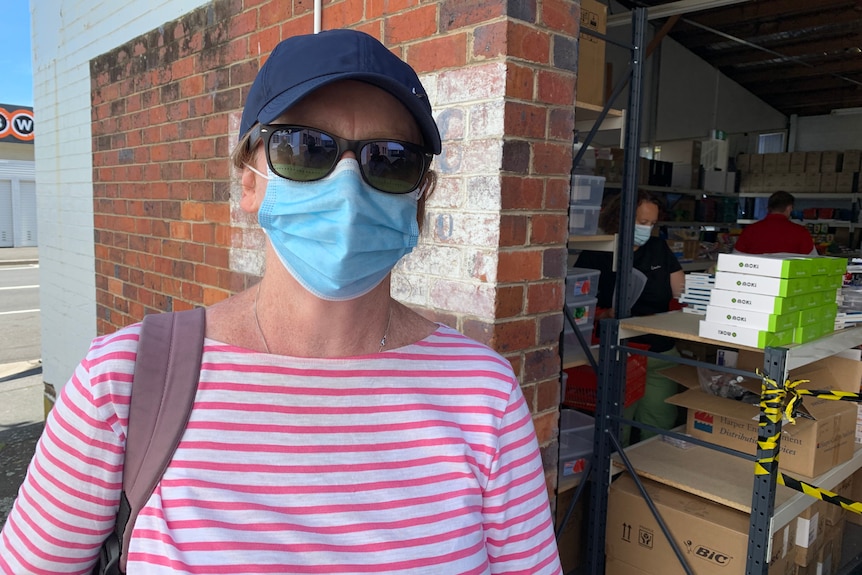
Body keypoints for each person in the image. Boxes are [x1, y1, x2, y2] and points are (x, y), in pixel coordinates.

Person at [0, 30, 562, 575]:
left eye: (390, 159)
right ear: (250, 180)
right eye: (304, 148)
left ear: (419, 197)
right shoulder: (123, 382)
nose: (348, 187)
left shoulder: (484, 396)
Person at [575, 191, 685, 443]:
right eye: (642, 223)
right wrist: (604, 314)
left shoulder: (658, 248)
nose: (647, 229)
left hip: (660, 351)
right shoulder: (598, 251)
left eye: (652, 224)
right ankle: (616, 479)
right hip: (619, 352)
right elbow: (576, 307)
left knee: (659, 424)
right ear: (621, 219)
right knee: (616, 428)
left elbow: (681, 291)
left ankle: (649, 476)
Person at [734, 191, 817, 255]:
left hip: (755, 276)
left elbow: (735, 258)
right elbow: (814, 262)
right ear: (789, 208)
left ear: (769, 208)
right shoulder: (801, 233)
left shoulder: (750, 230)